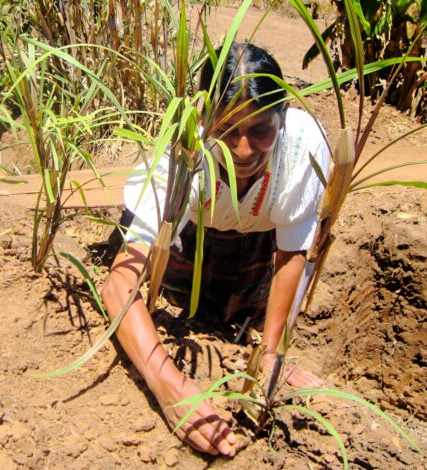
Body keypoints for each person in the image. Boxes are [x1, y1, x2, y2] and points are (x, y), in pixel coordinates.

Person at [100, 42, 329, 457]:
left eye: (261, 130)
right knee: (177, 305)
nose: (243, 151)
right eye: (227, 131)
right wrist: (168, 384)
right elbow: (118, 287)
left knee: (241, 321)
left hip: (255, 246)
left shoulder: (303, 149)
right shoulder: (179, 157)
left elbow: (291, 254)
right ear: (205, 119)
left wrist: (271, 356)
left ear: (283, 117)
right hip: (186, 242)